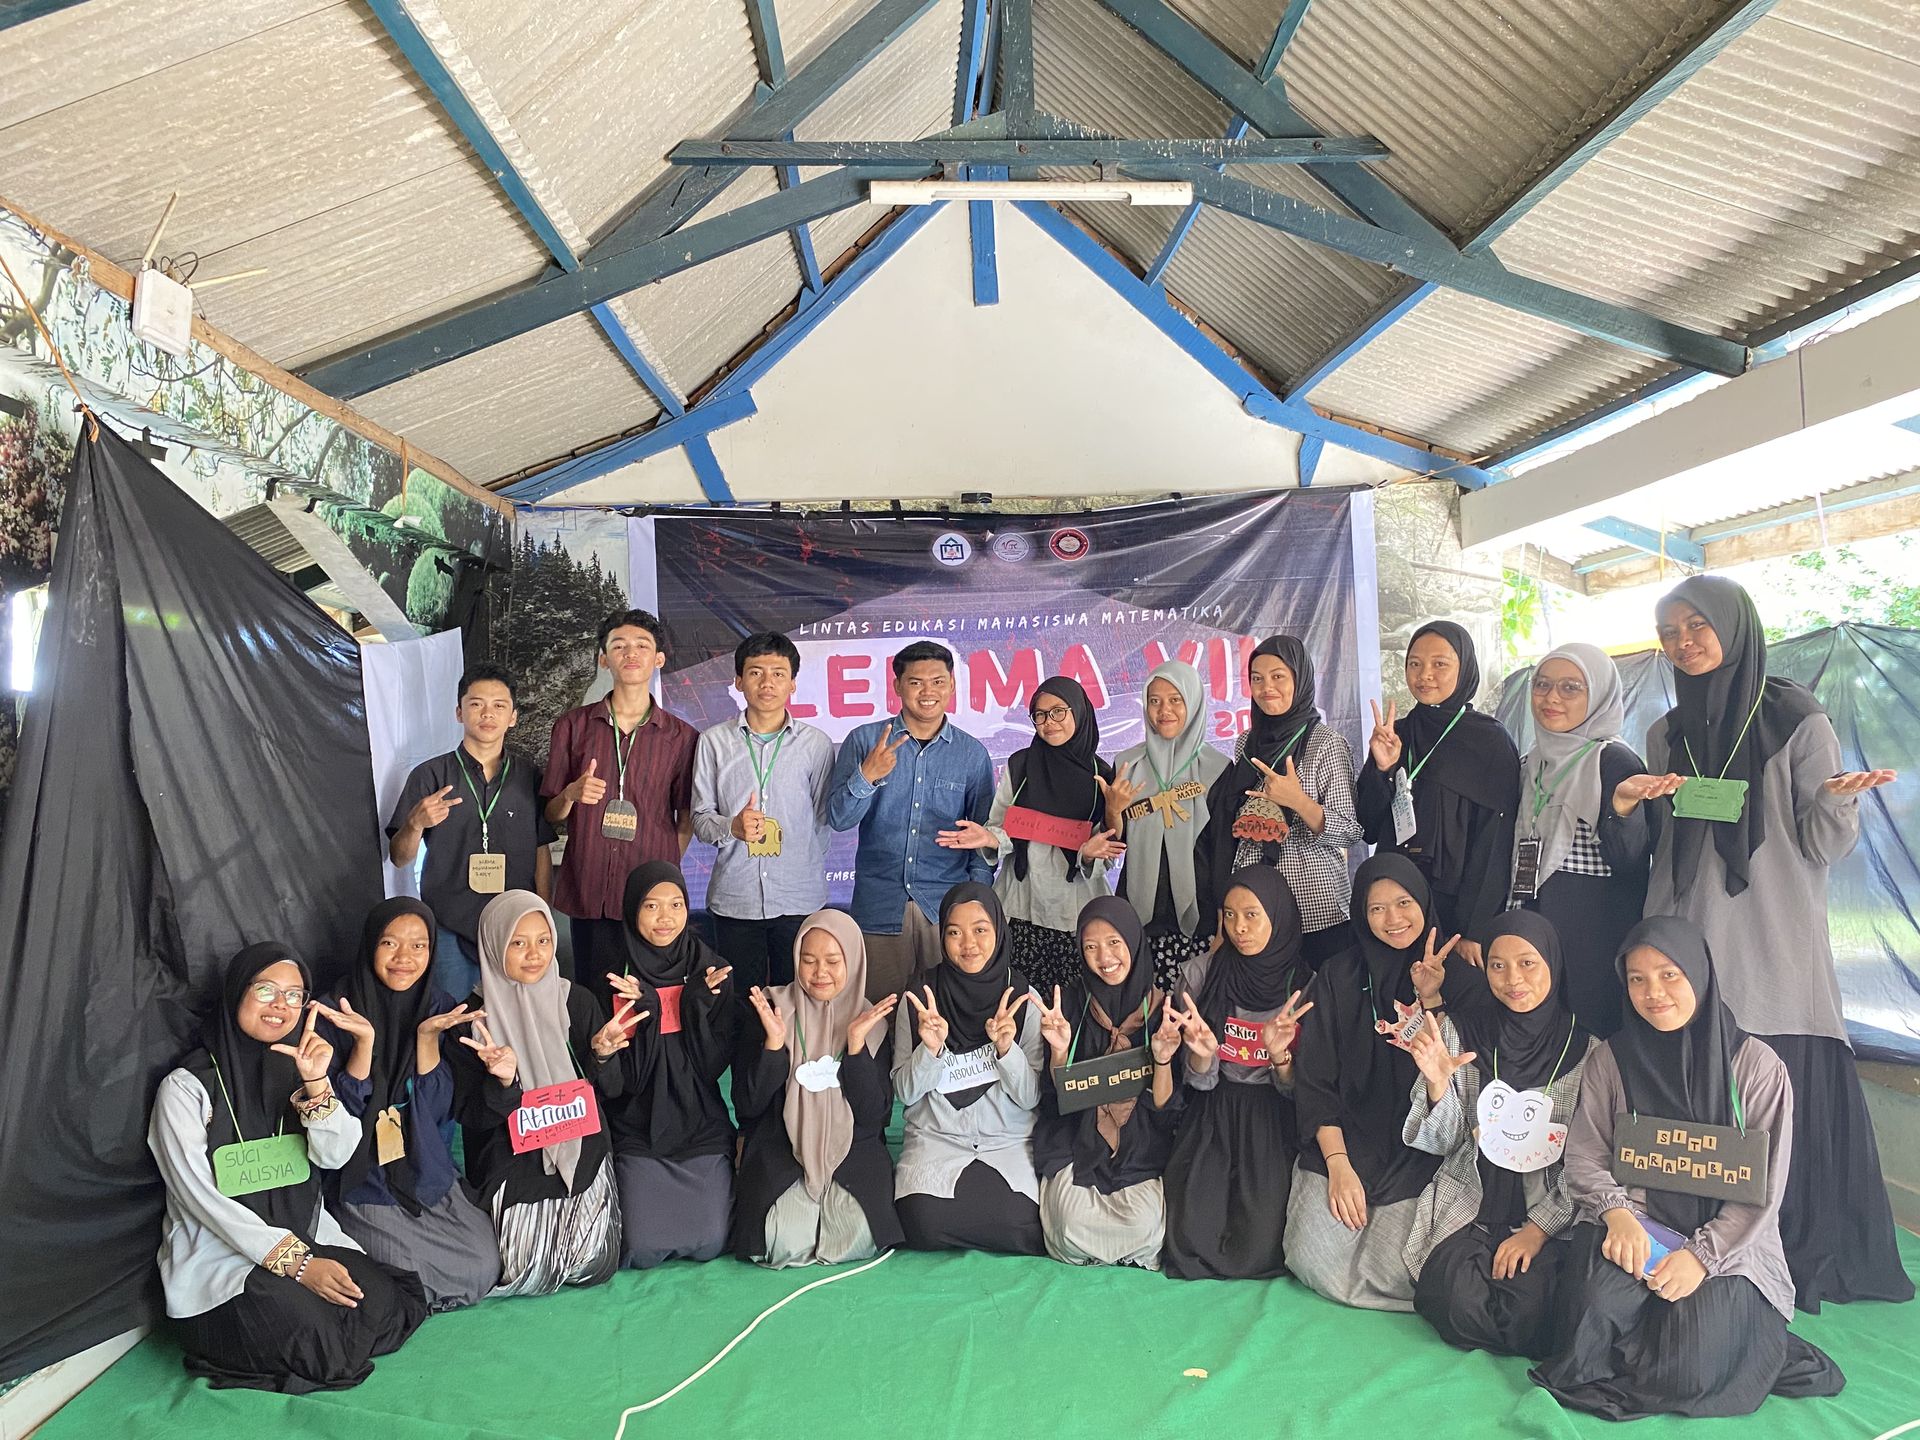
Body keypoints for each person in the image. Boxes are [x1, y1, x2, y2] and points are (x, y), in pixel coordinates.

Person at [1617, 575, 1909, 1311]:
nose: (1683, 643)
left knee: (1766, 1078)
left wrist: (1838, 803)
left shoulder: (1796, 717)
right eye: (1670, 632)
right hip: (1682, 931)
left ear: (1735, 625)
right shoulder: (1667, 732)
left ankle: (1778, 1244)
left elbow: (1820, 844)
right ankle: (1688, 1235)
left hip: (1769, 930)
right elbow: (1661, 839)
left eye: (1697, 626)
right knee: (1691, 1072)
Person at [1531, 918, 1846, 1418]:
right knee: (1587, 1332)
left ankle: (1748, 1337)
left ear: (1699, 974)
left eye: (1669, 975)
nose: (1653, 993)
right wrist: (1617, 1215)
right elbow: (1585, 1155)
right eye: (1637, 979)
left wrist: (1701, 1257)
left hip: (1729, 1242)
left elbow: (1762, 1190)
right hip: (1636, 1227)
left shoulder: (1757, 1068)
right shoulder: (1611, 1061)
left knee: (1690, 1371)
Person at [147, 944, 427, 1392]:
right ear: (237, 993)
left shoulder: (298, 1071)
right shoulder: (185, 1088)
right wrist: (298, 1264)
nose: (281, 1005)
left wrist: (317, 1083)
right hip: (223, 1256)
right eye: (266, 990)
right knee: (320, 1345)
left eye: (295, 995)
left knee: (388, 1305)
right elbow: (200, 1198)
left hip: (306, 1233)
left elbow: (337, 1156)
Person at [1401, 911, 1596, 1357]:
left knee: (1534, 1312)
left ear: (1553, 963)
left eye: (1528, 963)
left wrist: (1538, 1230)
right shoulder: (1460, 1033)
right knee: (1452, 1300)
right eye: (1497, 965)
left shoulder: (1588, 1052)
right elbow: (1441, 1143)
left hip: (1546, 1206)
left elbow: (1591, 1160)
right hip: (1473, 1197)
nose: (1513, 980)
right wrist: (1437, 1085)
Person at [317, 899, 500, 1310]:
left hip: (422, 1164)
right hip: (360, 1174)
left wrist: (426, 1040)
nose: (405, 958)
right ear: (370, 945)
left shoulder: (437, 1007)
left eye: (419, 946)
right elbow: (333, 1122)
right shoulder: (334, 1012)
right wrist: (363, 1048)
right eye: (390, 943)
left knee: (483, 1264)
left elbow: (436, 1113)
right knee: (410, 1274)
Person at [448, 890, 631, 1297]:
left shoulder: (576, 1002)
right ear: (494, 944)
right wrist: (504, 1083)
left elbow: (612, 1091)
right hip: (511, 1158)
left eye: (544, 940)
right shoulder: (471, 1022)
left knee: (595, 1264)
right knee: (527, 1270)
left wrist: (601, 1058)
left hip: (582, 1152)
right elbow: (470, 1116)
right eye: (518, 943)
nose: (535, 954)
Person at [1286, 855, 1449, 1309]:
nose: (1393, 919)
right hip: (1344, 1137)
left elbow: (1456, 1084)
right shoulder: (1339, 975)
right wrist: (1338, 1166)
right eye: (1377, 908)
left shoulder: (1455, 974)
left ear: (1423, 902)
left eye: (1404, 903)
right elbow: (1316, 1079)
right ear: (1360, 912)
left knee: (1399, 1268)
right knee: (1310, 1257)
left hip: (1421, 1147)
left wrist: (1433, 999)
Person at [1160, 867, 1314, 1280]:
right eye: (1229, 915)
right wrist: (1203, 1057)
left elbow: (1298, 1091)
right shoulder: (1200, 974)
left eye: (1251, 915)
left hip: (1271, 1116)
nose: (1239, 928)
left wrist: (1280, 1058)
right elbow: (1196, 1082)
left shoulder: (1304, 986)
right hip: (1212, 1108)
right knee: (1189, 1236)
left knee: (1258, 1248)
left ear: (1278, 916)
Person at [826, 641, 997, 1001]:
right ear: (897, 686)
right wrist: (867, 776)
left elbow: (984, 837)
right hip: (879, 906)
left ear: (952, 685)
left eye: (938, 681)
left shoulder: (971, 754)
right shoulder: (865, 741)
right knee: (880, 1013)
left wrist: (977, 901)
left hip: (946, 910)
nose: (928, 692)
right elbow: (838, 818)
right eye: (916, 682)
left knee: (948, 1011)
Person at [543, 609, 698, 1003]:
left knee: (653, 999)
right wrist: (571, 794)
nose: (631, 653)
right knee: (594, 997)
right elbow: (550, 814)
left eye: (642, 646)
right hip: (590, 887)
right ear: (603, 659)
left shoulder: (681, 737)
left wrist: (661, 872)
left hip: (652, 898)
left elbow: (685, 820)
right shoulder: (572, 726)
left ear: (658, 658)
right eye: (619, 646)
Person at [732, 910, 903, 1267]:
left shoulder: (869, 1020)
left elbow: (874, 1116)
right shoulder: (771, 1009)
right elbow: (748, 1105)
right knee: (782, 1242)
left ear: (853, 961)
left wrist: (856, 1047)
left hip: (853, 1149)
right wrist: (773, 1046)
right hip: (781, 1145)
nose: (819, 972)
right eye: (808, 961)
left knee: (857, 1238)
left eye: (832, 961)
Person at [939, 677, 1123, 992]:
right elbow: (1001, 825)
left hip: (1075, 914)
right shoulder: (1021, 766)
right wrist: (989, 838)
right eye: (1040, 714)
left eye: (1058, 711)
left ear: (1079, 711)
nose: (1048, 722)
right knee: (1019, 1003)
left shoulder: (1102, 776)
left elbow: (1108, 849)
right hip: (1021, 908)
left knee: (1071, 1006)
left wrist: (1090, 852)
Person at [891, 883, 1046, 1255]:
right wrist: (930, 1050)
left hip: (1006, 1141)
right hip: (938, 1139)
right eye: (954, 932)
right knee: (923, 1224)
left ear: (999, 930)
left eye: (980, 929)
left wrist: (1006, 1050)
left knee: (1020, 1223)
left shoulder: (1023, 999)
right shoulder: (920, 998)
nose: (968, 944)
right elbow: (905, 1093)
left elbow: (1031, 1097)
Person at [387, 663, 554, 1000]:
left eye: (499, 705)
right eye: (476, 704)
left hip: (516, 928)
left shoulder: (530, 777)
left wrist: (544, 913)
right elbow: (399, 858)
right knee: (455, 1018)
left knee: (514, 1019)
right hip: (449, 924)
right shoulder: (430, 775)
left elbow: (541, 849)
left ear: (513, 717)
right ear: (459, 712)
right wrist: (415, 823)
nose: (487, 714)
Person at [1032, 897, 1183, 1268]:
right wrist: (1059, 1051)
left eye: (1114, 942)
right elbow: (1056, 1100)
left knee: (1144, 1227)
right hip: (1077, 1137)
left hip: (1141, 1142)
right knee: (1070, 1226)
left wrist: (1163, 1059)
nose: (1104, 957)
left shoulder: (1162, 1010)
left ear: (1133, 940)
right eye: (1091, 947)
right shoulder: (1069, 1004)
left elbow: (1166, 1110)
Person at [1508, 644, 1651, 1038]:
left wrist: (1623, 810)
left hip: (1593, 938)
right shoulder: (1531, 763)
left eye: (1571, 688)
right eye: (1542, 685)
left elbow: (1633, 861)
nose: (1551, 698)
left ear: (1599, 695)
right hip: (1534, 928)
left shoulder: (1615, 762)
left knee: (1589, 1042)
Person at [603, 862, 740, 1269]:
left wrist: (694, 1006)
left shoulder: (712, 971)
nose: (665, 918)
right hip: (637, 1124)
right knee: (642, 1246)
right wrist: (648, 1013)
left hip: (700, 1121)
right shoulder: (615, 976)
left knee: (710, 1240)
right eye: (651, 906)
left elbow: (712, 1068)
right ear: (633, 910)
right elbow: (623, 1083)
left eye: (676, 904)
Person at [1356, 622, 1520, 958]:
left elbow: (1494, 843)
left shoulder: (1489, 741)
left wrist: (1474, 929)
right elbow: (1367, 826)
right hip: (1395, 908)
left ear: (1465, 668)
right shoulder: (1396, 735)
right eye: (1414, 663)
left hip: (1455, 912)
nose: (1424, 675)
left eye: (1439, 664)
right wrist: (1382, 770)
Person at [1197, 636, 1362, 969]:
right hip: (1256, 911)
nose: (1266, 687)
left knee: (1317, 997)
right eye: (1257, 678)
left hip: (1315, 908)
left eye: (1278, 676)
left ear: (1300, 679)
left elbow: (1349, 831)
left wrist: (1298, 801)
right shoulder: (1247, 742)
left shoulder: (1326, 743)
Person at [690, 632, 837, 990]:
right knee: (740, 1002)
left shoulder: (816, 744)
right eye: (756, 673)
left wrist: (798, 864)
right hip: (736, 899)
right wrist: (732, 828)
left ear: (792, 683)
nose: (767, 683)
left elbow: (822, 822)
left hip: (799, 899)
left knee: (800, 999)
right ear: (739, 681)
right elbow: (700, 818)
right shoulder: (713, 742)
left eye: (778, 674)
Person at [1105, 660, 1230, 991]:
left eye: (1176, 700)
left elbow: (1223, 853)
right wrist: (1113, 810)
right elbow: (1114, 842)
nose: (1164, 710)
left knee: (1195, 1009)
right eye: (1155, 700)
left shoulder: (1217, 769)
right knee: (1145, 1009)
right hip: (1140, 916)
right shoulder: (1126, 765)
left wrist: (1224, 922)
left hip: (1201, 918)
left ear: (1194, 702)